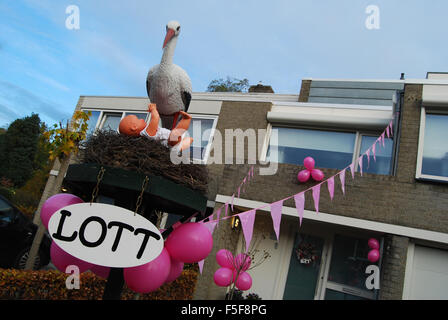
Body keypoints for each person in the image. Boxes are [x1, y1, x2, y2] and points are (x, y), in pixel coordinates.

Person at [118, 103, 193, 152]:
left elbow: (152, 122)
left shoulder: (146, 134)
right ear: (134, 127)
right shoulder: (146, 133)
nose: (141, 119)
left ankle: (182, 145)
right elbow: (155, 118)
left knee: (188, 140)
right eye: (138, 119)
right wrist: (153, 109)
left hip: (172, 145)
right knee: (175, 134)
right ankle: (187, 119)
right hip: (170, 142)